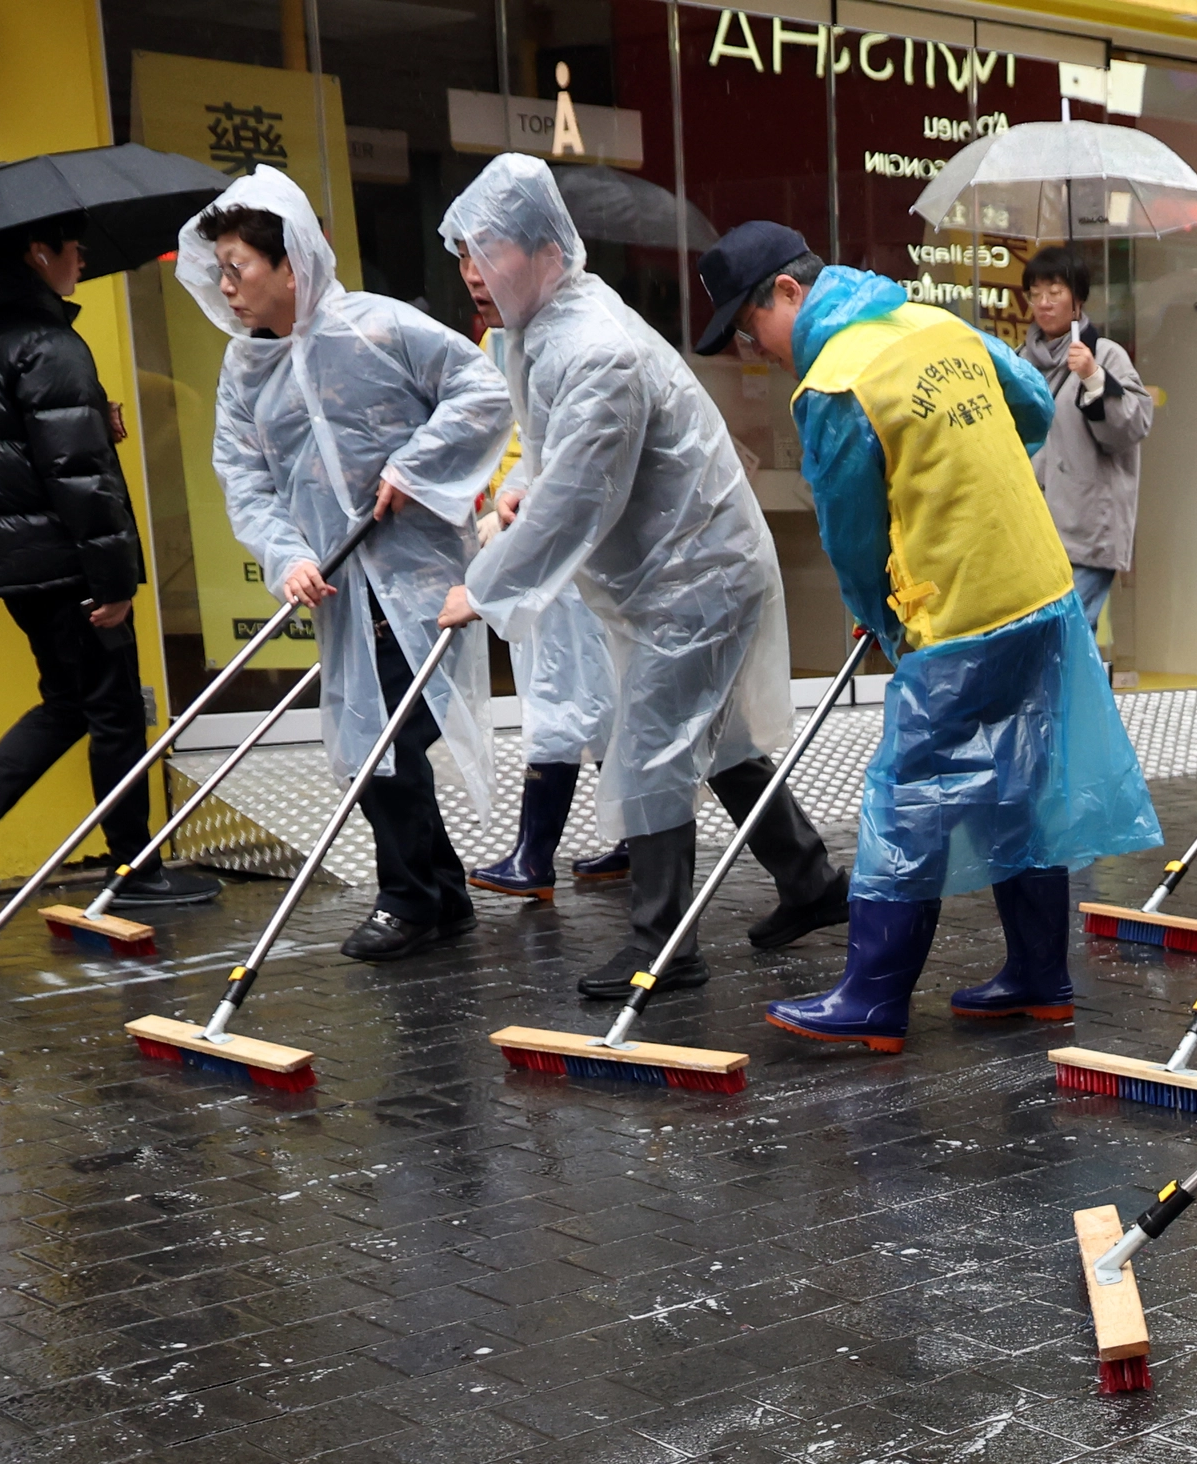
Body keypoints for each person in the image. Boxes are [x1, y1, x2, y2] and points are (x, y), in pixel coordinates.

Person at [713, 229, 1160, 1052]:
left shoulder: (837, 379)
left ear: (785, 291)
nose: (756, 348)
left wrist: (887, 616)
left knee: (907, 791)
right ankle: (1038, 975)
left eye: (749, 327)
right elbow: (1030, 406)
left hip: (961, 612)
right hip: (1040, 585)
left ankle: (873, 998)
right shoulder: (934, 324)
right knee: (1013, 781)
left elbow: (851, 533)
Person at [429, 171, 846, 1002]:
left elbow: (584, 492)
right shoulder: (546, 325)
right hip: (678, 572)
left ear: (547, 251)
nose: (473, 269)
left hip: (699, 574)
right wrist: (524, 484)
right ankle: (810, 882)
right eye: (465, 251)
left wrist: (485, 588)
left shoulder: (592, 345)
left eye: (491, 249)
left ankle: (664, 944)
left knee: (653, 740)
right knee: (718, 738)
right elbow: (563, 457)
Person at [179, 169, 511, 960]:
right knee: (377, 738)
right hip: (338, 585)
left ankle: (408, 898)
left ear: (289, 261)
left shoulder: (381, 329)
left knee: (384, 740)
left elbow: (480, 391)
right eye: (219, 269)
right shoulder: (244, 371)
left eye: (239, 267)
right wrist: (286, 554)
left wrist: (415, 466)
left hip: (419, 579)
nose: (226, 286)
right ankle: (441, 892)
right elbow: (245, 475)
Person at [0, 220, 218, 910]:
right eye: (72, 248)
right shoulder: (48, 343)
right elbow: (77, 477)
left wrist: (89, 426)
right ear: (36, 253)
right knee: (112, 714)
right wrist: (112, 582)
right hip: (71, 565)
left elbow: (15, 451)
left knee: (71, 701)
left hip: (19, 563)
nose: (82, 258)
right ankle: (135, 871)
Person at [449, 260, 617, 905]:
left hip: (553, 551)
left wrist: (512, 509)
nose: (473, 280)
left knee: (556, 693)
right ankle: (628, 838)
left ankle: (534, 856)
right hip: (533, 540)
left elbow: (560, 457)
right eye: (462, 264)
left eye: (482, 264)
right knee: (593, 695)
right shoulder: (505, 343)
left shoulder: (570, 342)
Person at [1019, 247, 1153, 644]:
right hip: (1035, 528)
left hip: (1088, 526)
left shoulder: (1104, 353)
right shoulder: (1020, 360)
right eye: (1035, 293)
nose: (1043, 303)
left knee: (1068, 635)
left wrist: (1094, 378)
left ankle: (1079, 707)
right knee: (1046, 638)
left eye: (1055, 291)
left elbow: (1131, 426)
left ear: (1077, 298)